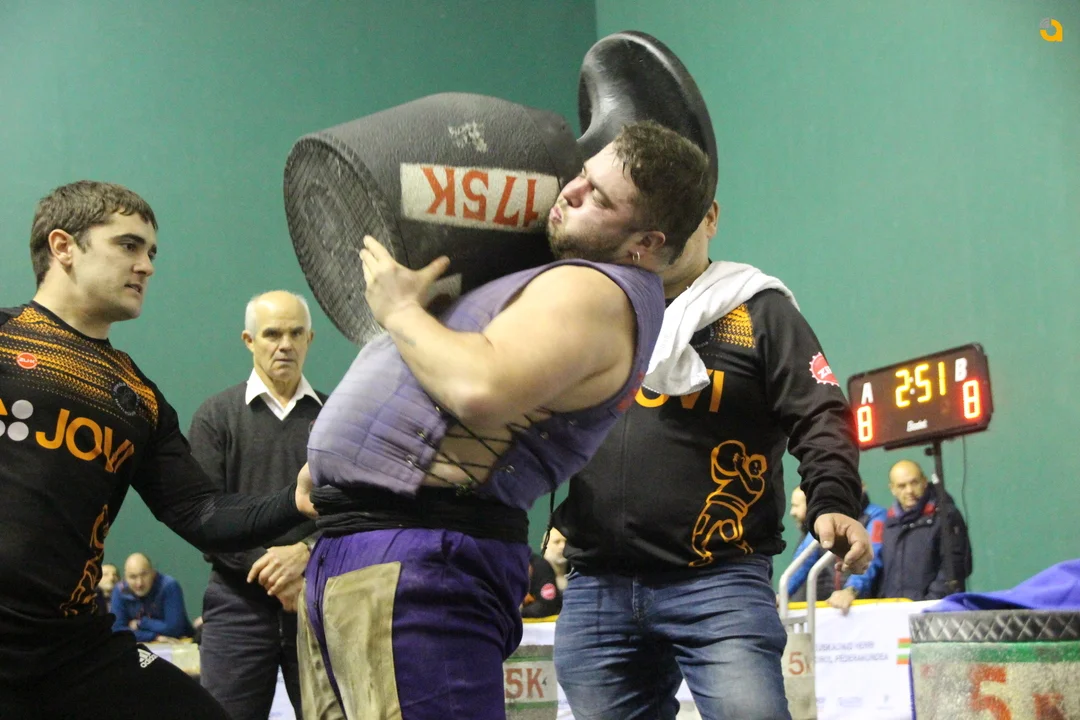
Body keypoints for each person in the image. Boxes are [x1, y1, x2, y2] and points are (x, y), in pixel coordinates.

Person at [293, 121, 714, 720]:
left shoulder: (600, 293)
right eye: (582, 177)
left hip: (424, 558)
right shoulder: (552, 275)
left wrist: (399, 310)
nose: (570, 191)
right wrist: (339, 464)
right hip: (360, 550)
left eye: (598, 197)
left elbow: (479, 388)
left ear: (645, 242)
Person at [550, 195, 873, 720]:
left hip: (719, 583)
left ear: (711, 216)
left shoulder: (761, 311)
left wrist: (833, 499)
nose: (659, 230)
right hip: (598, 588)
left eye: (675, 210)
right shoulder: (602, 308)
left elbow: (820, 414)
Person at [0, 181, 311, 720]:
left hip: (73, 650)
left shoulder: (138, 399)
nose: (146, 266)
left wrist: (296, 501)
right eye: (128, 245)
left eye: (151, 252)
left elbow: (202, 512)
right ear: (63, 247)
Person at [188, 290, 326, 720]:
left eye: (296, 333)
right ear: (249, 340)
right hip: (236, 609)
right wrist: (274, 572)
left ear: (310, 339)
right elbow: (203, 515)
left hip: (318, 601)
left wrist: (305, 554)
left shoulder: (335, 417)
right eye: (272, 334)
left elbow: (356, 509)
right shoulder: (215, 417)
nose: (285, 344)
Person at [785, 486, 887, 614]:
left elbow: (871, 557)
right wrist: (783, 594)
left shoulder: (875, 515)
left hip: (863, 606)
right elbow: (804, 558)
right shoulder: (825, 515)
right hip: (828, 605)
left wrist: (851, 590)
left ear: (862, 487)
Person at [880, 459, 972, 600]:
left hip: (934, 610)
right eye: (902, 486)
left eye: (914, 483)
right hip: (894, 610)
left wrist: (928, 604)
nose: (909, 491)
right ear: (892, 489)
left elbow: (954, 567)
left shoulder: (946, 516)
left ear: (924, 482)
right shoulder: (889, 523)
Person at [111, 553, 194, 642]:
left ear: (153, 573)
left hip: (180, 644)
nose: (139, 583)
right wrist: (154, 637)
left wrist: (141, 623)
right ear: (125, 578)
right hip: (141, 645)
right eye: (133, 577)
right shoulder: (119, 590)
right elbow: (117, 631)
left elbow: (175, 629)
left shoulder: (169, 586)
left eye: (144, 574)